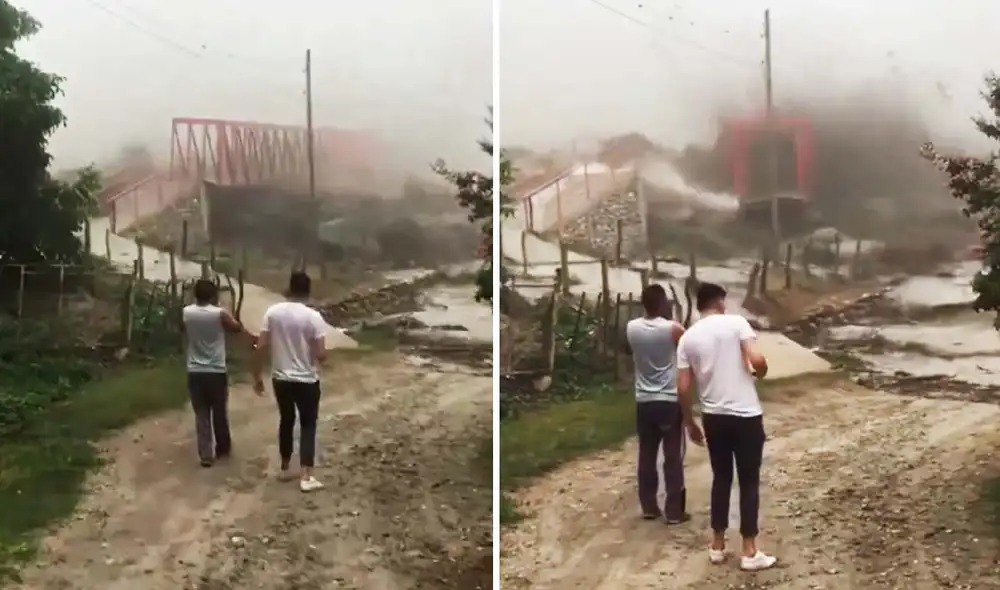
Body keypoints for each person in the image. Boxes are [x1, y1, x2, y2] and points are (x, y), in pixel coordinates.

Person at [675, 281, 777, 571]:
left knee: (721, 479)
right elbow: (756, 358)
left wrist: (688, 422)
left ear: (699, 305)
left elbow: (682, 387)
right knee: (748, 481)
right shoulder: (736, 323)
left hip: (713, 417)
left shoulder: (688, 338)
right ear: (720, 301)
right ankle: (749, 551)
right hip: (745, 415)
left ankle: (717, 545)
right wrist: (762, 370)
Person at [252, 271, 329, 492]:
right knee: (307, 424)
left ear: (290, 288)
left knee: (286, 419)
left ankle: (285, 468)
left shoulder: (273, 312)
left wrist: (257, 375)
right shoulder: (313, 317)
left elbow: (261, 345)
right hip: (306, 379)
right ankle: (307, 476)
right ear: (308, 291)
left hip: (281, 378)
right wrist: (323, 360)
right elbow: (321, 354)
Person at [625, 283, 688, 524]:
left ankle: (649, 506)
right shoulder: (673, 328)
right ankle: (674, 511)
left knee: (647, 454)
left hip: (644, 399)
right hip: (669, 399)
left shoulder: (631, 328)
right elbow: (687, 349)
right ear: (663, 304)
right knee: (673, 455)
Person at [182, 279, 251, 467]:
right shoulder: (219, 314)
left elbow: (183, 330)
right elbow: (236, 328)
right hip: (216, 370)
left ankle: (205, 454)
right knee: (219, 411)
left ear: (195, 294)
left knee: (201, 413)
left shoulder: (187, 312)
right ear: (213, 295)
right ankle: (223, 448)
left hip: (195, 370)